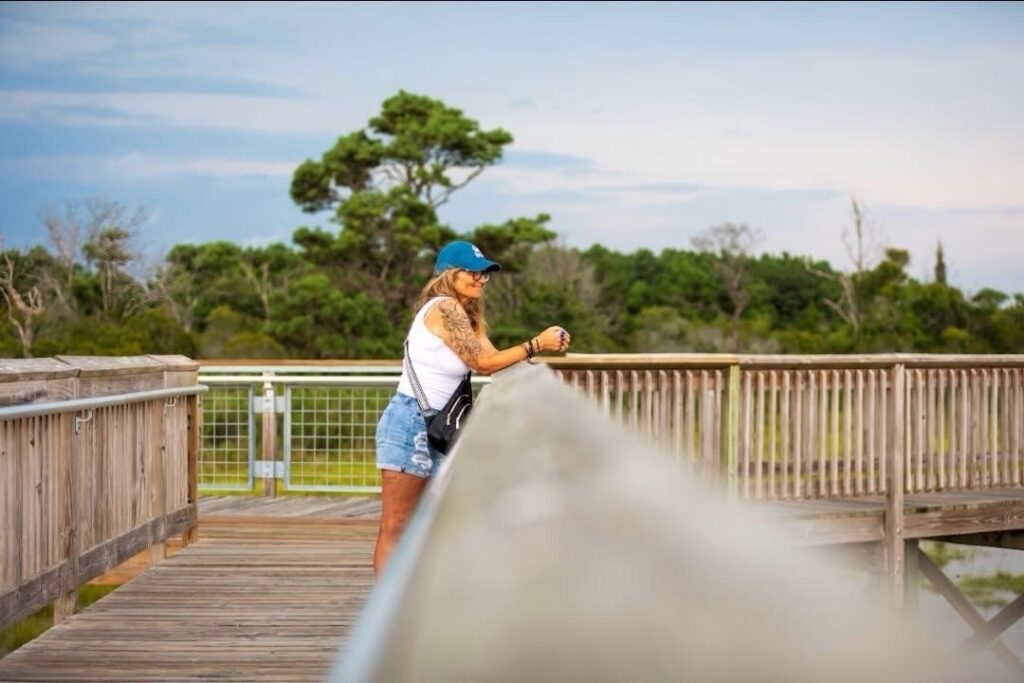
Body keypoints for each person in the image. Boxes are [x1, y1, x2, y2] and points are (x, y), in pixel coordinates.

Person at [372, 240, 571, 577]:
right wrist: (538, 343)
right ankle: (387, 604)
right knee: (397, 525)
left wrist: (533, 363)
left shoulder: (466, 317)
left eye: (484, 274)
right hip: (409, 422)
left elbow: (495, 360)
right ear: (449, 274)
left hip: (435, 426)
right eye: (473, 272)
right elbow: (483, 363)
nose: (480, 279)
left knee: (431, 523)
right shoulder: (444, 308)